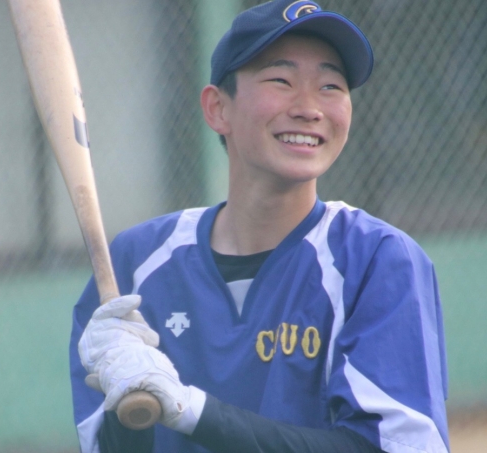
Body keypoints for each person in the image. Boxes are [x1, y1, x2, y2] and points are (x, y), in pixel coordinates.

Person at [69, 1, 450, 452]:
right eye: (281, 81)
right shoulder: (135, 263)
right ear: (217, 108)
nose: (310, 108)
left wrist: (191, 410)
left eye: (331, 86)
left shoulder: (376, 259)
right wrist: (124, 407)